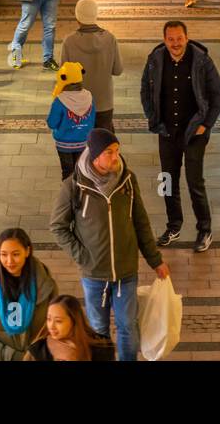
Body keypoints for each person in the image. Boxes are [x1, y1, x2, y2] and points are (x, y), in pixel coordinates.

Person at [50, 128, 170, 360]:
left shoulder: (127, 180)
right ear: (95, 155)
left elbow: (141, 222)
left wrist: (155, 260)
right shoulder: (73, 187)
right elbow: (58, 226)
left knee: (128, 326)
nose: (116, 157)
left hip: (126, 271)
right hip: (94, 275)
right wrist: (83, 257)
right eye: (109, 152)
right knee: (98, 330)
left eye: (117, 151)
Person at [141, 20, 220, 251]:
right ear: (164, 39)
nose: (175, 43)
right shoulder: (155, 60)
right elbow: (145, 91)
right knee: (166, 181)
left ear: (186, 38)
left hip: (194, 133)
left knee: (194, 181)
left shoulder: (201, 61)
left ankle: (204, 229)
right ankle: (173, 225)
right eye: (171, 39)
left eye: (179, 38)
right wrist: (153, 118)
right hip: (167, 132)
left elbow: (218, 95)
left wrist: (206, 124)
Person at [0, 228, 58, 360]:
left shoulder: (45, 286)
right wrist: (19, 358)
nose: (9, 261)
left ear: (27, 251)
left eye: (16, 254)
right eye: (4, 254)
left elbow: (54, 332)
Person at [60, 0, 123, 132]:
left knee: (82, 145)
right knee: (103, 145)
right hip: (104, 103)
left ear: (77, 16)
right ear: (95, 15)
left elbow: (63, 77)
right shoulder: (110, 38)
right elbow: (118, 70)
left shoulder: (69, 41)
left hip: (79, 104)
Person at [25, 295, 116, 361]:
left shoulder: (102, 348)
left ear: (74, 321)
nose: (51, 326)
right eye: (49, 319)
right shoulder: (38, 351)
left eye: (58, 321)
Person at [47, 61, 96, 178]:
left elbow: (52, 123)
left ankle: (69, 193)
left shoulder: (59, 101)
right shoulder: (89, 97)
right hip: (83, 141)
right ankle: (82, 192)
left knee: (67, 172)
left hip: (64, 144)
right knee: (82, 171)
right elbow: (92, 120)